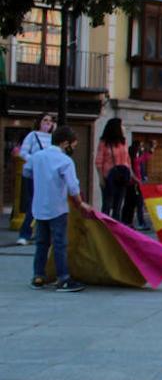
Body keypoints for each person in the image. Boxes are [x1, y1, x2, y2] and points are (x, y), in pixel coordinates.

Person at [26, 125, 89, 291]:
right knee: (60, 243)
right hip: (57, 208)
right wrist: (80, 203)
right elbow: (73, 187)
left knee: (41, 243)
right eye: (73, 146)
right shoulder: (65, 161)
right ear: (65, 143)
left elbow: (27, 172)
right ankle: (63, 278)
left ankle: (38, 276)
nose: (72, 149)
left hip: (39, 207)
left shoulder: (37, 156)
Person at [16, 113, 54, 245]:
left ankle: (40, 234)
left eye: (50, 121)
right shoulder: (32, 135)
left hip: (48, 175)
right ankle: (24, 234)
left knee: (46, 205)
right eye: (45, 120)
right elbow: (23, 152)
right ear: (39, 122)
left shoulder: (53, 138)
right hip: (34, 173)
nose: (48, 123)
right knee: (34, 203)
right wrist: (36, 160)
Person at [95, 117, 132, 221]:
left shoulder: (123, 142)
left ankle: (117, 229)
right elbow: (98, 161)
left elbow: (127, 159)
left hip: (122, 177)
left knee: (118, 206)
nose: (123, 127)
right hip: (109, 177)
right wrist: (100, 178)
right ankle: (105, 227)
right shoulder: (104, 142)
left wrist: (131, 174)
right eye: (121, 125)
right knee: (107, 204)